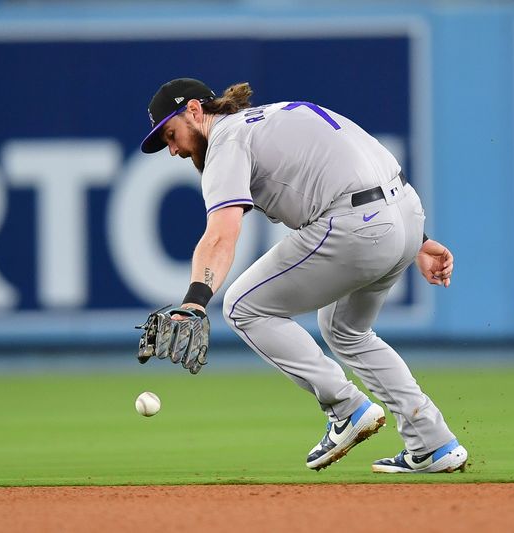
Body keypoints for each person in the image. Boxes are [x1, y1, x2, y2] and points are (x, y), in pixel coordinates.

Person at [137, 78, 468, 473]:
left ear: (194, 110)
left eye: (171, 135)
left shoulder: (226, 140)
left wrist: (194, 301)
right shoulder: (274, 115)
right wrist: (417, 240)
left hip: (357, 226)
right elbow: (353, 166)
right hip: (406, 213)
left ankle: (345, 407)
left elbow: (222, 233)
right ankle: (432, 442)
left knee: (244, 306)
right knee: (346, 330)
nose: (172, 150)